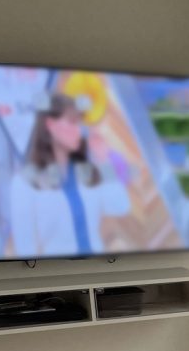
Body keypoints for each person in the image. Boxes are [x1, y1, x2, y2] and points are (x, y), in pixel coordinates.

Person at [9, 92, 130, 258]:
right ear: (50, 125)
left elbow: (120, 207)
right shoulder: (24, 183)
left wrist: (103, 160)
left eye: (80, 123)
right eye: (72, 122)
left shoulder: (86, 171)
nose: (79, 130)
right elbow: (25, 249)